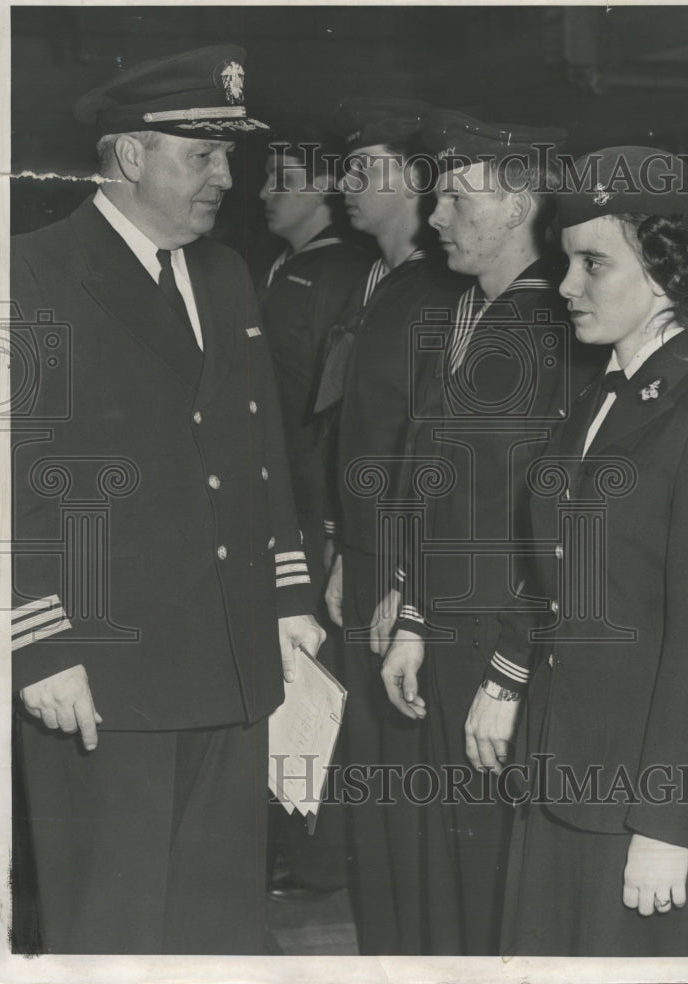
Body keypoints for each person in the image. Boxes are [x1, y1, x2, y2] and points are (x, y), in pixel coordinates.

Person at [10, 45, 324, 955]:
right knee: (112, 921)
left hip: (230, 662)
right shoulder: (31, 272)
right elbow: (11, 474)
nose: (226, 178)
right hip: (104, 674)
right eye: (203, 156)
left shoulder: (223, 273)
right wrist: (42, 641)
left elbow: (259, 448)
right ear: (129, 156)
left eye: (228, 157)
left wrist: (290, 596)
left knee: (217, 921)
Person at [465, 146, 688, 957]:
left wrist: (665, 823)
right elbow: (562, 565)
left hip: (640, 796)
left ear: (665, 270)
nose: (566, 286)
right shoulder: (599, 397)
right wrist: (507, 674)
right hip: (561, 770)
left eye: (591, 263)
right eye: (567, 262)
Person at [375, 110, 583, 954]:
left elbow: (552, 533)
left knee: (502, 883)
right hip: (448, 640)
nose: (435, 218)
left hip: (510, 650)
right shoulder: (472, 315)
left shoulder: (554, 332)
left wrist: (507, 670)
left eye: (457, 199)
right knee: (455, 874)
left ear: (516, 206)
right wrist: (416, 616)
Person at [318, 97, 467, 954]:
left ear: (416, 181)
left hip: (406, 571)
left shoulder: (440, 293)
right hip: (365, 557)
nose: (346, 185)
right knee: (369, 772)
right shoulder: (375, 279)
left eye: (365, 169)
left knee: (403, 778)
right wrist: (344, 549)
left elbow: (433, 451)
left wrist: (407, 578)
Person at [256, 124, 371, 898]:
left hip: (312, 517)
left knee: (319, 687)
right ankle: (290, 840)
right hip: (278, 509)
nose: (266, 192)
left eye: (283, 177)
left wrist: (331, 528)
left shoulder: (342, 274)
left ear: (326, 188)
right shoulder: (281, 265)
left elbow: (338, 417)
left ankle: (320, 856)